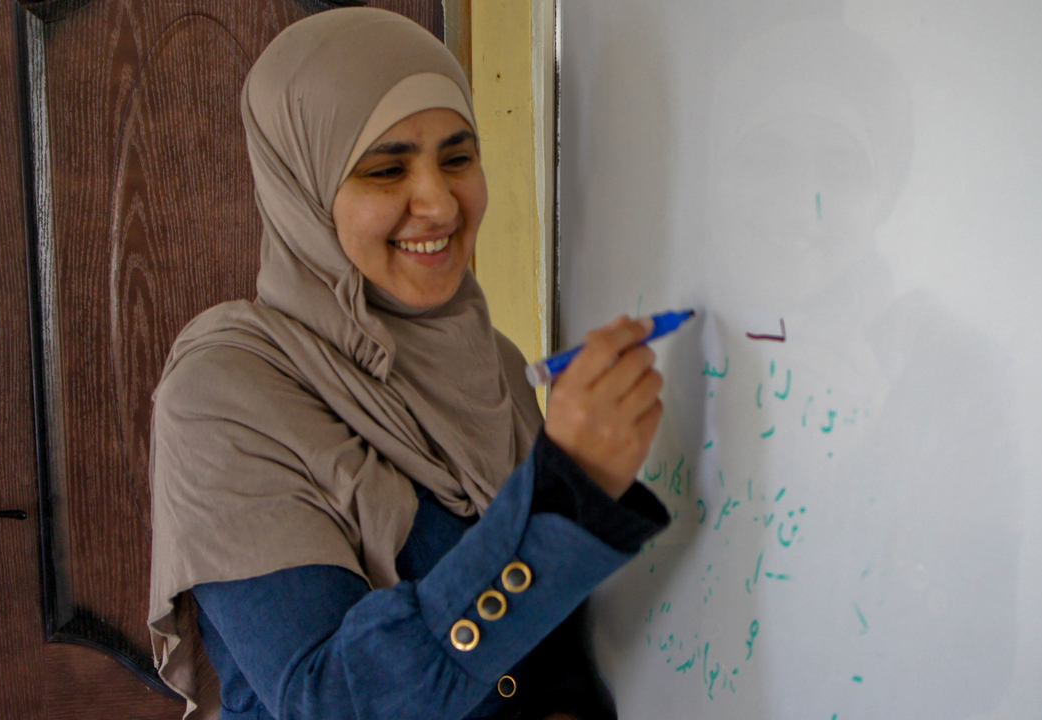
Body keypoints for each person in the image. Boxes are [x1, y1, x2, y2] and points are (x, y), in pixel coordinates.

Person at [147, 8, 672, 720]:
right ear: (302, 188)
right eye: (386, 169)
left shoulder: (493, 364)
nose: (438, 202)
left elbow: (543, 647)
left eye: (457, 158)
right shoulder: (224, 392)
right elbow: (330, 702)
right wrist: (562, 494)